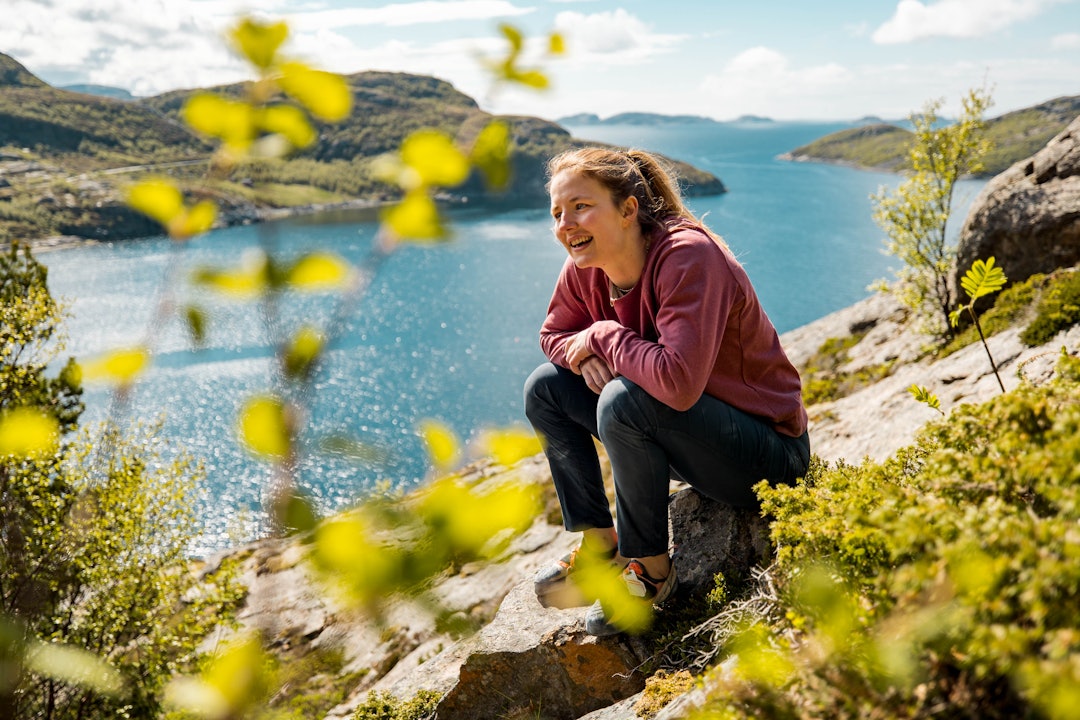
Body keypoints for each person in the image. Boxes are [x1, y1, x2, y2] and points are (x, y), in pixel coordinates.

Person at [523, 146, 810, 636]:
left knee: (623, 400)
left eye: (581, 206)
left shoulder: (688, 257)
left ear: (629, 208)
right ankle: (601, 548)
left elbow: (676, 384)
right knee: (545, 389)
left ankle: (652, 570)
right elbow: (552, 336)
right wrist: (585, 349)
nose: (565, 224)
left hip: (767, 458)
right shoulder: (584, 267)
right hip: (690, 441)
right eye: (557, 212)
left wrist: (601, 338)